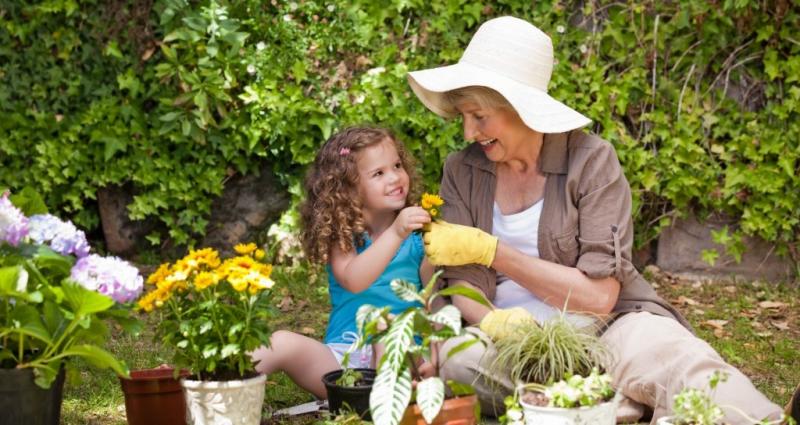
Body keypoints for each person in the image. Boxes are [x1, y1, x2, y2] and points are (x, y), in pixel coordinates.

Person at [406, 16, 797, 424]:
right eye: (463, 116)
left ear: (521, 108)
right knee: (458, 359)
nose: (469, 132)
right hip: (508, 345)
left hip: (605, 327)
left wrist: (496, 252)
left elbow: (598, 298)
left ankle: (765, 421)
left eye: (479, 116)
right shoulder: (463, 170)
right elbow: (462, 282)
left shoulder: (591, 161)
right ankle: (614, 401)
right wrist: (494, 322)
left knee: (675, 355)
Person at [250, 126, 433, 398]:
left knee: (389, 330)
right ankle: (213, 380)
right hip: (341, 363)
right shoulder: (345, 236)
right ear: (349, 188)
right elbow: (354, 279)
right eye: (378, 173)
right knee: (280, 342)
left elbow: (436, 301)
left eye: (397, 165)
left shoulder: (420, 238)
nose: (395, 177)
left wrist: (435, 357)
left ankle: (384, 406)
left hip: (401, 354)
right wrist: (396, 233)